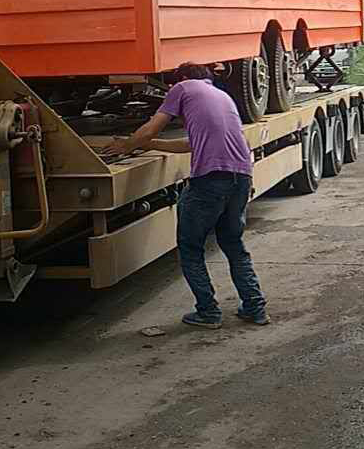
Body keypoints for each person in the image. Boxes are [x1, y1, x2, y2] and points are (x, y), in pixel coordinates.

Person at [102, 63, 268, 329]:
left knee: (191, 248)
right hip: (240, 177)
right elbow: (192, 143)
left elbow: (152, 127)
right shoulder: (221, 96)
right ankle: (255, 308)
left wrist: (126, 145)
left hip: (210, 181)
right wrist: (150, 145)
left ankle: (208, 312)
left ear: (181, 78)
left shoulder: (182, 87)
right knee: (234, 246)